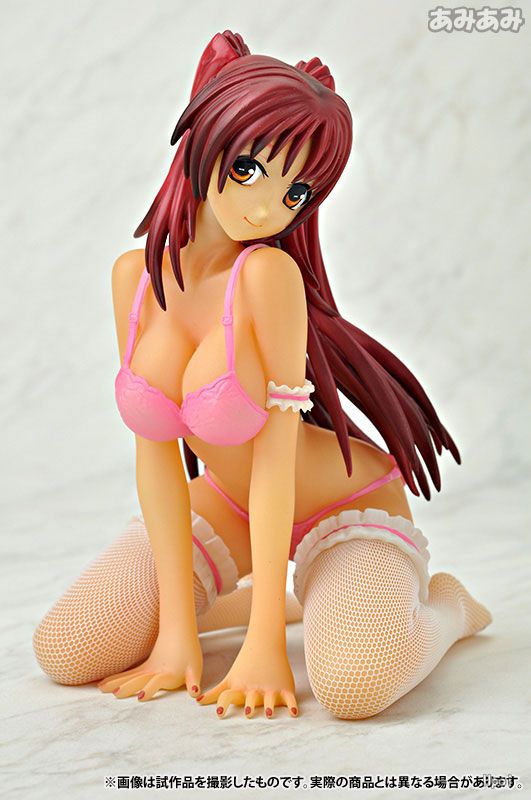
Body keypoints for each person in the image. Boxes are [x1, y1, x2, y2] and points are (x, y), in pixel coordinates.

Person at [33, 30, 492, 720]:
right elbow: (156, 459)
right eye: (248, 169)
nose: (265, 209)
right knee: (67, 648)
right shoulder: (135, 279)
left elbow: (277, 456)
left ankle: (446, 608)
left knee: (355, 685)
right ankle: (274, 603)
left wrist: (265, 645)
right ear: (205, 138)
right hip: (227, 503)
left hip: (340, 507)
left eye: (296, 191)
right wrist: (174, 639)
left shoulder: (267, 276)